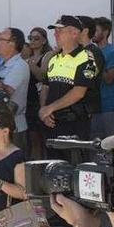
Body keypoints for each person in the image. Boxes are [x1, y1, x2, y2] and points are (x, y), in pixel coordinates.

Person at [41, 16, 96, 147]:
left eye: (60, 31)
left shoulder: (86, 58)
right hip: (52, 123)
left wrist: (49, 108)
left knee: (74, 164)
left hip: (74, 125)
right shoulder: (54, 59)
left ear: (74, 33)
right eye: (55, 31)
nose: (55, 34)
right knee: (53, 164)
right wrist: (44, 110)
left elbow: (78, 93)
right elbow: (45, 87)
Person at [92, 17, 114, 138]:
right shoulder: (90, 51)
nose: (92, 34)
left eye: (95, 30)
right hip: (94, 107)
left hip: (110, 106)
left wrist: (94, 62)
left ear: (105, 32)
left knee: (113, 145)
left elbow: (109, 79)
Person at [25, 28, 53, 160]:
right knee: (32, 138)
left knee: (42, 138)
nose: (32, 41)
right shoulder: (28, 57)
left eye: (36, 38)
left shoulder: (47, 55)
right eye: (30, 38)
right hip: (29, 100)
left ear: (44, 40)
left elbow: (43, 76)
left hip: (40, 100)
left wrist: (29, 63)